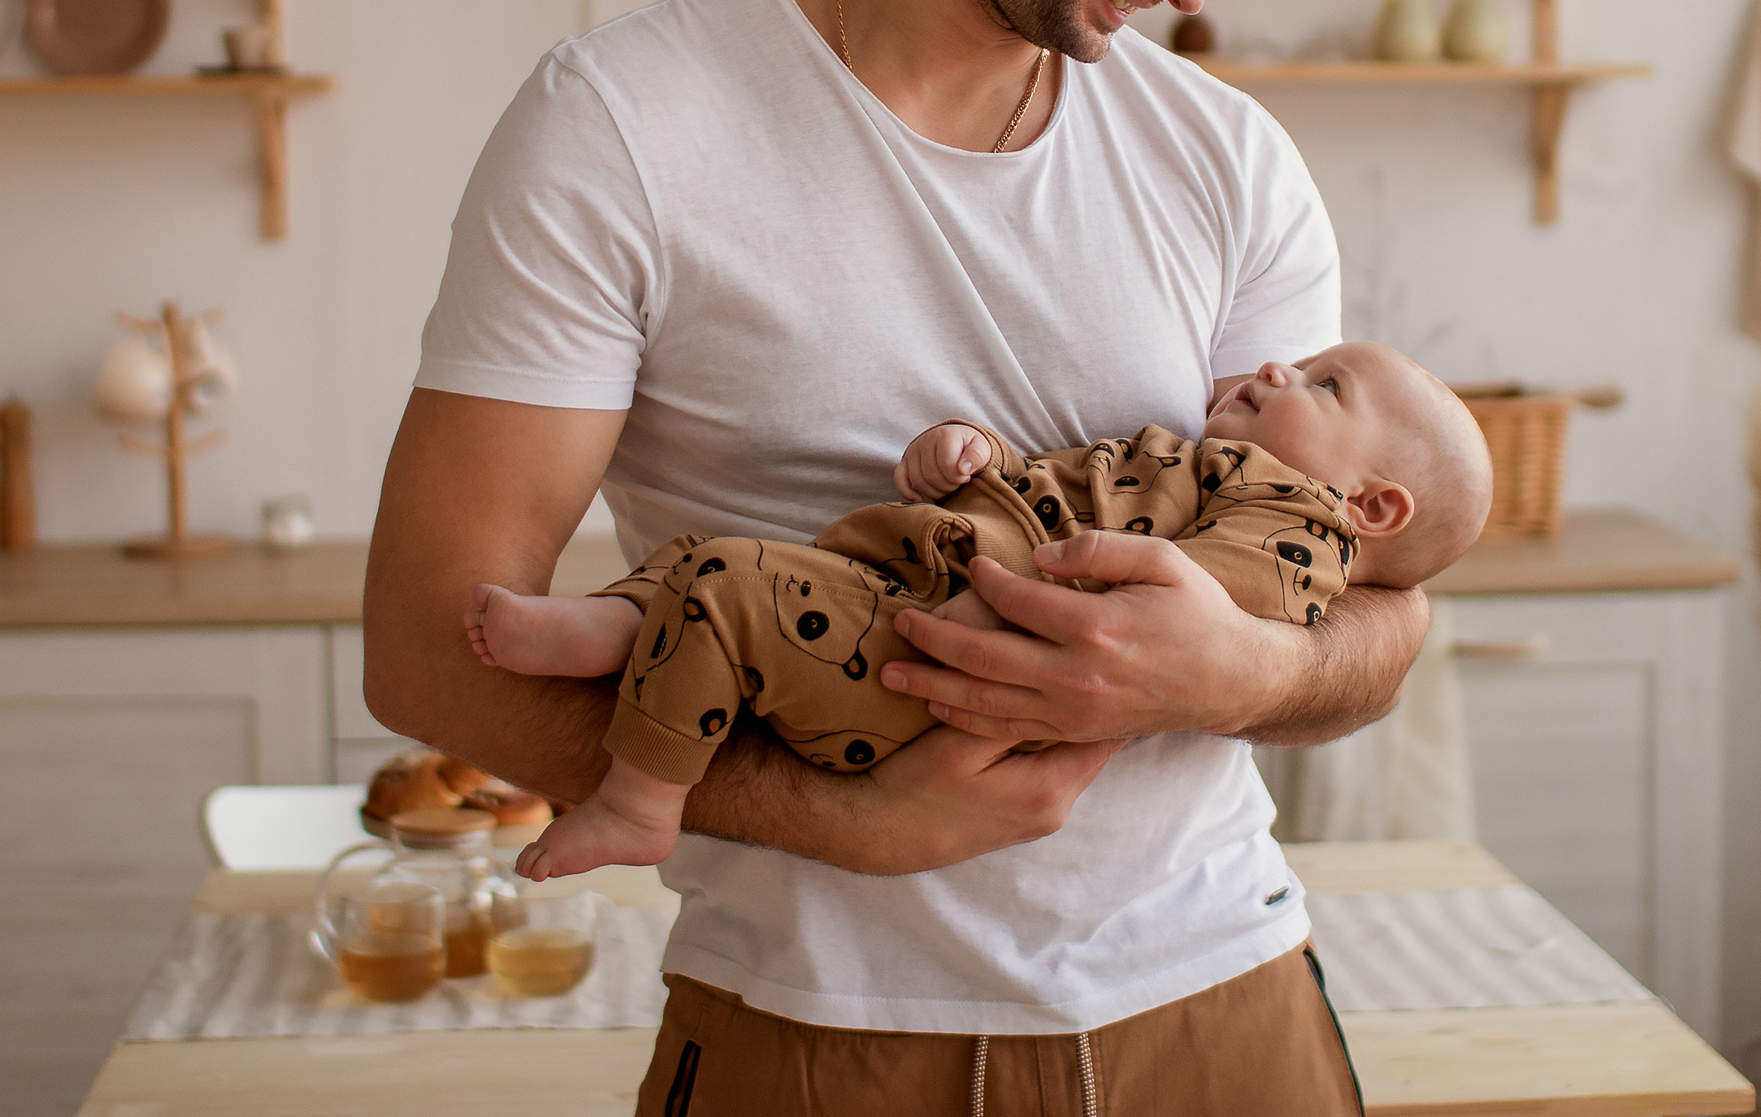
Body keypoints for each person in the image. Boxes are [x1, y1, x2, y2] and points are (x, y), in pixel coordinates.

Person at [365, 0, 1433, 1115]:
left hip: (1222, 1005)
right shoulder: (623, 127)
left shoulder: (1227, 160)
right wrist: (836, 818)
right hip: (818, 1033)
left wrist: (1246, 664)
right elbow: (425, 646)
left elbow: (1380, 613)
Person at [471, 341, 1493, 883]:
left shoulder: (1292, 526)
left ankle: (642, 802)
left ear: (1369, 507)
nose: (1279, 365)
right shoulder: (1198, 467)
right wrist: (977, 459)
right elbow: (1073, 488)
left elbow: (1194, 620)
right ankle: (614, 626)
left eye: (1324, 382)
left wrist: (1037, 611)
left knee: (729, 589)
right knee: (701, 569)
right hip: (902, 597)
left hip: (940, 668)